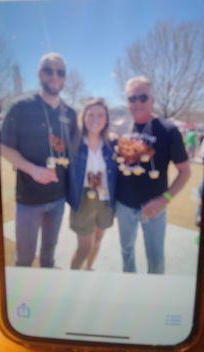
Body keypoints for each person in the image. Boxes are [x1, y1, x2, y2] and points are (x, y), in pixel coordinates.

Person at [0, 53, 78, 267]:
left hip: (59, 199)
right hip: (29, 199)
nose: (54, 76)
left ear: (64, 78)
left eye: (60, 72)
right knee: (24, 257)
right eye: (49, 70)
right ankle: (22, 301)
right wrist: (31, 169)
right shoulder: (20, 107)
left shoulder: (70, 114)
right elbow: (3, 146)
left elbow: (75, 151)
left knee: (49, 253)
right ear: (39, 74)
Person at [116, 76, 191, 274]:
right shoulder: (122, 128)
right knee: (126, 251)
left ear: (152, 100)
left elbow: (185, 172)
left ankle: (154, 295)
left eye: (143, 97)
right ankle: (129, 287)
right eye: (132, 98)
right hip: (123, 206)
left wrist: (164, 200)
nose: (137, 103)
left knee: (155, 258)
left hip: (154, 208)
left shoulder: (168, 129)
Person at [68, 99, 117, 270]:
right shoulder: (74, 143)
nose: (95, 119)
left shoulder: (112, 145)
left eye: (100, 115)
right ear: (84, 117)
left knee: (97, 240)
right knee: (84, 247)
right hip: (83, 199)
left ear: (106, 119)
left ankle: (88, 269)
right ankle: (74, 276)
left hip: (105, 198)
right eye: (91, 114)